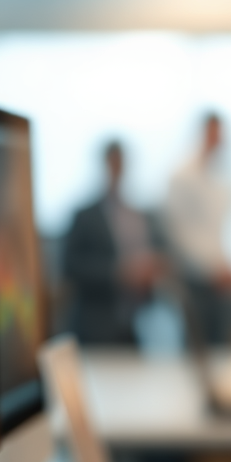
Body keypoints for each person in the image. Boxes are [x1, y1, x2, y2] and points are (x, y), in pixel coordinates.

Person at [63, 141, 161, 345]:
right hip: (94, 328)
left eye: (121, 162)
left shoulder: (140, 216)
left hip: (133, 328)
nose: (117, 168)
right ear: (105, 164)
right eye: (113, 162)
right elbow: (69, 266)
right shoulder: (85, 216)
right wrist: (117, 272)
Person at [163, 112, 231, 343]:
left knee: (219, 346)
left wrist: (224, 266)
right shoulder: (182, 176)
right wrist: (213, 269)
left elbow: (215, 234)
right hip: (193, 280)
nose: (218, 139)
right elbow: (178, 236)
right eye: (214, 133)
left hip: (218, 282)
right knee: (194, 346)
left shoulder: (219, 178)